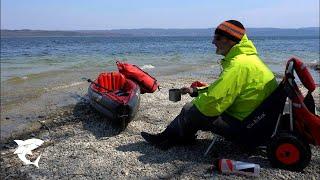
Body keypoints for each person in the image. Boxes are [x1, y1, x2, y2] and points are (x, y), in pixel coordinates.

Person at [141, 20, 278, 149]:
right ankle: (179, 136)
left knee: (191, 109)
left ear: (230, 40)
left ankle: (167, 138)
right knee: (196, 106)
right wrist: (195, 91)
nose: (213, 42)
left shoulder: (238, 66)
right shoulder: (248, 60)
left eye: (218, 38)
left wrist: (196, 102)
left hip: (247, 129)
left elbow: (211, 104)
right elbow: (223, 89)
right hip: (258, 122)